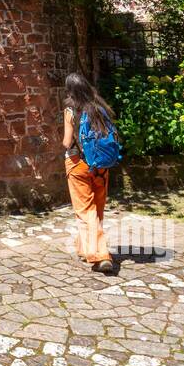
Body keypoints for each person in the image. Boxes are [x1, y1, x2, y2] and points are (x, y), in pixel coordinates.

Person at [62, 72, 117, 274]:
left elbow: (68, 142)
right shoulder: (99, 107)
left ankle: (101, 255)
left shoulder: (70, 109)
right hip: (101, 166)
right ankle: (85, 248)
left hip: (78, 165)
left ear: (70, 90)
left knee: (85, 211)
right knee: (96, 209)